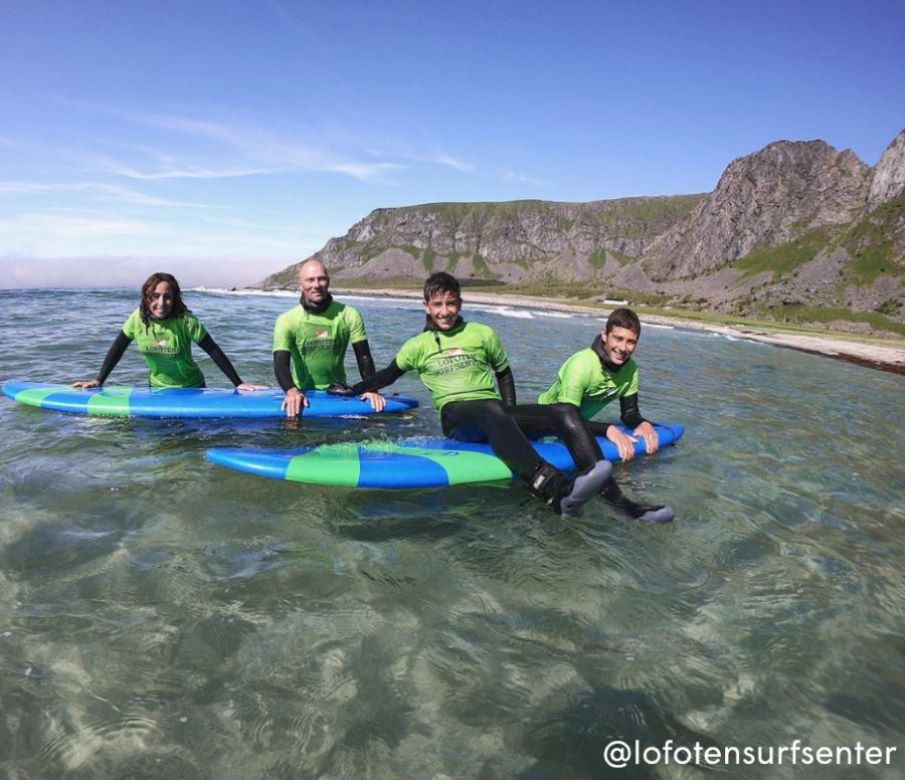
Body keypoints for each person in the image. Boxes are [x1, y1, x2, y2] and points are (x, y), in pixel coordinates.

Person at [332, 272, 612, 518]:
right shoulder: (418, 345)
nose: (445, 311)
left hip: (492, 415)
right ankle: (550, 486)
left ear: (460, 304)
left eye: (451, 303)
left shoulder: (482, 334)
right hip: (457, 420)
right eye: (438, 305)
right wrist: (353, 390)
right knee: (490, 407)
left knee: (564, 411)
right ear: (426, 307)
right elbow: (387, 376)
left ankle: (610, 495)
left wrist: (509, 418)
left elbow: (503, 373)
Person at [534, 307, 675, 524]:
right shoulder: (582, 364)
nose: (623, 348)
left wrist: (643, 423)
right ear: (604, 335)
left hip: (577, 427)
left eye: (631, 342)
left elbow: (629, 414)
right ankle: (622, 506)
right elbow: (565, 416)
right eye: (618, 338)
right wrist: (608, 429)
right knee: (569, 419)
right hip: (542, 425)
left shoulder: (631, 370)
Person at [72, 272, 264, 391]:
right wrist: (99, 380)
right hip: (156, 389)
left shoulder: (186, 321)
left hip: (192, 388)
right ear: (146, 298)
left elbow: (213, 351)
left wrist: (238, 383)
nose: (161, 303)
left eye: (167, 297)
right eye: (155, 296)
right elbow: (117, 349)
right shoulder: (137, 319)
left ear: (175, 299)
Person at [272, 259, 385, 417]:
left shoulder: (349, 314)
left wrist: (371, 388)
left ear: (328, 281)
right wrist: (291, 390)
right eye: (310, 280)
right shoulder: (287, 320)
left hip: (338, 392)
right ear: (300, 284)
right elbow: (280, 363)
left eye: (321, 279)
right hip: (302, 392)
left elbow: (364, 356)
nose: (316, 284)